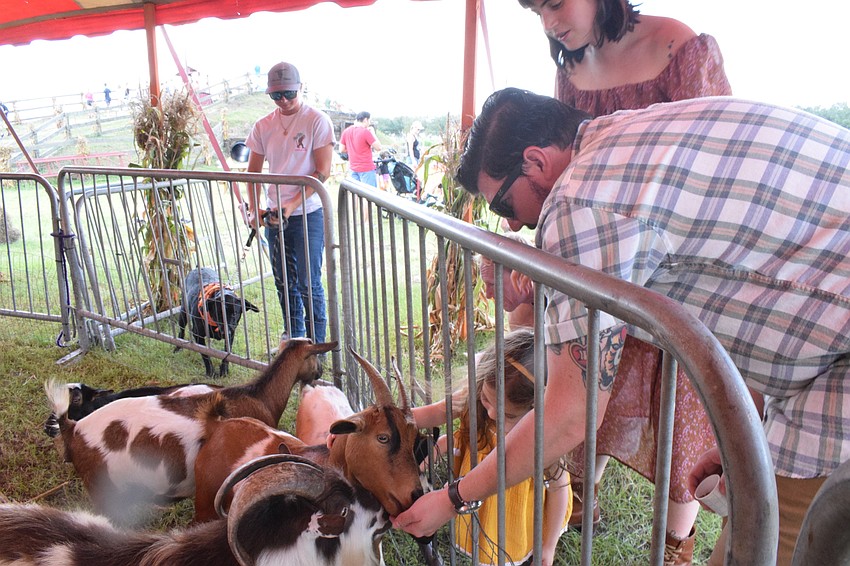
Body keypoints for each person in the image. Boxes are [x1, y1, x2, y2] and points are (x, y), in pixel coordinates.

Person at [393, 88, 850, 566]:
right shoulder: (617, 140)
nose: (512, 227)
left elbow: (571, 413)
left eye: (505, 206)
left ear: (536, 162)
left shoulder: (577, 201)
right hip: (819, 357)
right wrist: (752, 430)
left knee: (779, 548)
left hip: (837, 364)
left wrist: (451, 499)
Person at [518, 0, 733, 555]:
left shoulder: (680, 49)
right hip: (607, 272)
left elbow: (721, 162)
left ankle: (674, 545)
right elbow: (572, 167)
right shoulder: (568, 69)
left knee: (675, 419)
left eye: (555, 3)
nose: (549, 22)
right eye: (534, 9)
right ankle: (578, 502)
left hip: (678, 274)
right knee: (589, 396)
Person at [413, 329, 572, 566]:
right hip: (482, 512)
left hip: (517, 524)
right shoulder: (475, 394)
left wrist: (548, 547)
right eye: (487, 401)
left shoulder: (542, 439)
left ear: (534, 409)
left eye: (507, 414)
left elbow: (560, 488)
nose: (490, 413)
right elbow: (445, 423)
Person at [245, 61, 334, 343]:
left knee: (309, 283)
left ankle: (318, 345)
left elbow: (322, 171)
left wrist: (292, 205)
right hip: (274, 214)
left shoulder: (317, 120)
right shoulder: (263, 126)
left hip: (308, 213)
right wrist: (254, 209)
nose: (283, 100)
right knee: (284, 283)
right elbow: (253, 173)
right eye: (276, 95)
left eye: (288, 94)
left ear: (300, 88)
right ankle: (295, 341)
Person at [478, 232, 535, 331]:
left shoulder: (560, 301)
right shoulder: (518, 311)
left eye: (493, 284)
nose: (488, 295)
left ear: (519, 274)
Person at [338, 111, 381, 187]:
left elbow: (341, 149)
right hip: (366, 168)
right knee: (371, 195)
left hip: (353, 168)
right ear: (365, 120)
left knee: (355, 195)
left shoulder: (346, 131)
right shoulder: (365, 132)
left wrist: (353, 150)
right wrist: (373, 133)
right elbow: (378, 147)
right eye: (369, 120)